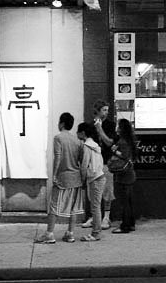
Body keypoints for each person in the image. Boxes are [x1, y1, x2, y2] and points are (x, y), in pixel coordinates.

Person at [35, 112, 84, 244]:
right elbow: (81, 160)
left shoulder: (58, 138)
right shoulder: (78, 141)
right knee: (73, 208)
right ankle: (70, 233)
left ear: (62, 123)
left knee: (54, 206)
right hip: (76, 178)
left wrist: (54, 175)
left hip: (63, 177)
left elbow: (58, 157)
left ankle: (49, 234)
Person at [82, 99, 116, 230]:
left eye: (107, 110)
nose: (106, 113)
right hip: (94, 163)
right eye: (104, 110)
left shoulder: (111, 125)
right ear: (97, 111)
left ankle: (106, 217)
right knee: (92, 191)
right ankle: (93, 216)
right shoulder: (89, 126)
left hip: (106, 161)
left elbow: (109, 142)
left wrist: (100, 129)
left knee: (107, 191)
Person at [77, 122, 105, 242]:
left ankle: (96, 233)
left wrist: (82, 180)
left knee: (95, 207)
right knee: (96, 206)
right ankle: (95, 232)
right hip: (99, 177)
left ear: (83, 133)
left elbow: (84, 165)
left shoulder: (87, 146)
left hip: (95, 179)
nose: (76, 133)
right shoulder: (95, 144)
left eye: (78, 131)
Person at [110, 118, 138, 234]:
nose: (116, 128)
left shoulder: (122, 141)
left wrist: (114, 151)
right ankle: (131, 223)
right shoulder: (129, 140)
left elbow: (125, 156)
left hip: (124, 175)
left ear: (121, 129)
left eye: (118, 126)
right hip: (129, 174)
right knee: (129, 201)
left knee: (125, 202)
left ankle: (125, 226)